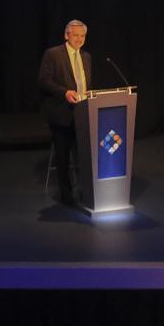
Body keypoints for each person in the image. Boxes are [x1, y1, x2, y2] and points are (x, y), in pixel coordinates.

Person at [38, 19, 93, 206]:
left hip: (84, 114)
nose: (79, 39)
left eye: (82, 36)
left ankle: (88, 192)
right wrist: (64, 93)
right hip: (61, 114)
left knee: (86, 155)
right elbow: (44, 81)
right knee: (63, 156)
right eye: (75, 35)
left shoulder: (86, 56)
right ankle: (67, 195)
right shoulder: (53, 54)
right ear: (66, 35)